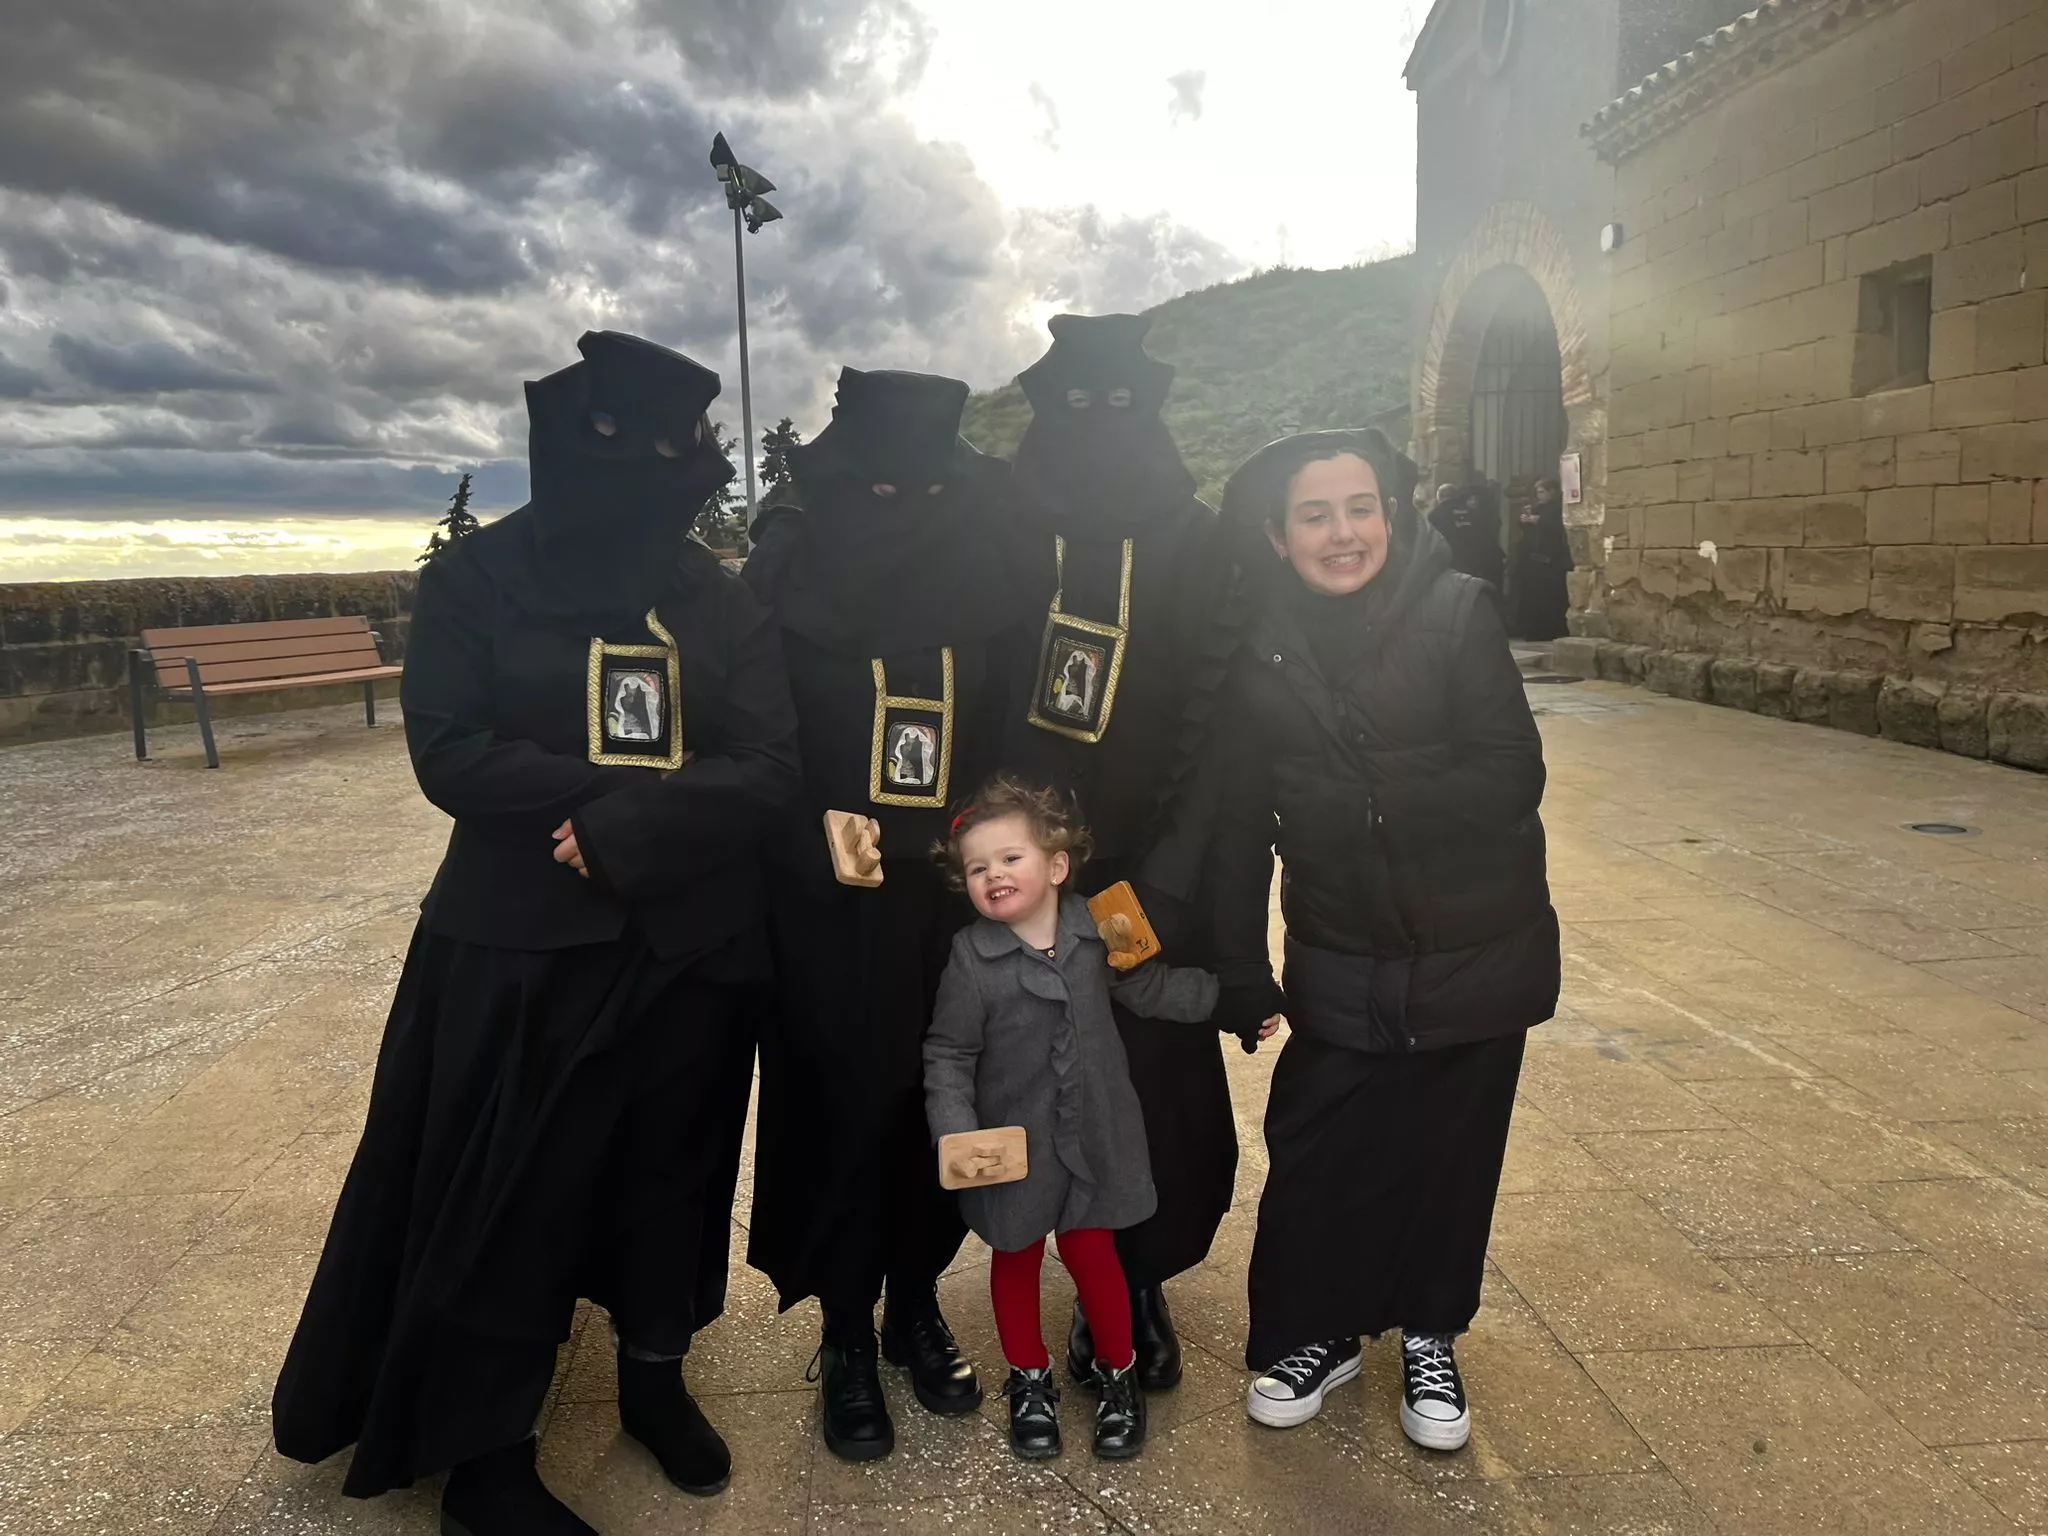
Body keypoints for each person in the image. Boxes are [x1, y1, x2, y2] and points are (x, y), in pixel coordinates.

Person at [271, 332, 800, 1533]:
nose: (662, 475)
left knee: (672, 1178)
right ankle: (486, 1450)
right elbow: (446, 746)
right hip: (517, 950)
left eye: (684, 450)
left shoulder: (714, 595)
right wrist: (588, 809)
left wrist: (635, 831)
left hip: (691, 951)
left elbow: (768, 762)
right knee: (514, 1192)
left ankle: (652, 1382)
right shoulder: (477, 579)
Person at [1206, 428, 1559, 1452]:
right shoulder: (1256, 650)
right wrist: (1237, 963)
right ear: (1276, 536)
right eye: (1313, 515)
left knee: (1448, 1149)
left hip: (1474, 948)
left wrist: (1361, 804)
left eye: (1359, 507)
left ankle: (1428, 1333)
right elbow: (1236, 822)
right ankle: (1318, 1330)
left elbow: (1507, 775)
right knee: (1321, 1146)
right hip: (1342, 947)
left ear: (1389, 513)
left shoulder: (1455, 611)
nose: (1342, 532)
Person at [742, 367, 1050, 1462]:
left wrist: (991, 845)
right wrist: (811, 833)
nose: (899, 511)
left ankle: (914, 1300)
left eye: (919, 492)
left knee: (949, 1102)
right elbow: (756, 726)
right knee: (839, 1101)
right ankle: (839, 1327)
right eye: (878, 492)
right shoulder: (791, 547)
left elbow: (1020, 727)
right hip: (825, 902)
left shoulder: (997, 555)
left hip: (948, 898)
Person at [999, 313, 1243, 1394]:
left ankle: (1136, 1282)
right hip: (1019, 871)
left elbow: (1217, 708)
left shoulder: (1196, 540)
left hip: (1152, 874)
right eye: (1075, 408)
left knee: (1148, 1089)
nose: (1096, 428)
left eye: (1118, 408)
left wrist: (1161, 876)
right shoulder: (1001, 535)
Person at [924, 780, 1255, 1460]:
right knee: (1013, 1257)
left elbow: (1152, 988)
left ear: (1057, 864)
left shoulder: (1107, 920)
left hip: (1096, 1132)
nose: (993, 876)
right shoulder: (969, 956)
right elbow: (950, 1051)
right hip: (1014, 1146)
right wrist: (954, 1131)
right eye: (977, 868)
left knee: (1095, 1256)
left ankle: (1119, 1375)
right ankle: (1029, 1378)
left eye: (1009, 859)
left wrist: (1235, 1003)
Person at [1509, 476, 1573, 641]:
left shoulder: (1558, 508)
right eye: (1538, 492)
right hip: (1535, 560)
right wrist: (1526, 520)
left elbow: (1559, 529)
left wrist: (1540, 521)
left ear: (1552, 492)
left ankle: (1552, 630)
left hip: (1552, 560)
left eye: (1542, 491)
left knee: (1550, 597)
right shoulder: (1538, 508)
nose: (1539, 495)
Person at [1427, 474, 1506, 595]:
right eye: (1470, 499)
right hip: (1476, 563)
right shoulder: (1475, 513)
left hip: (1451, 564)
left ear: (1439, 498)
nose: (1472, 502)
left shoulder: (1435, 514)